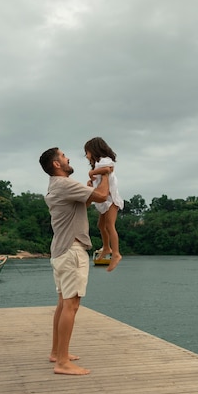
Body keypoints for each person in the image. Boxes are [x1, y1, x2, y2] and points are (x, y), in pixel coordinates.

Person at [39, 147, 110, 375]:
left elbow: (85, 203)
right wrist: (106, 174)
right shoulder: (65, 184)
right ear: (57, 164)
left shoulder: (56, 186)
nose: (68, 158)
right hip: (72, 250)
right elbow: (102, 196)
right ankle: (62, 362)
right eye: (63, 156)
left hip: (60, 251)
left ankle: (56, 352)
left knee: (62, 303)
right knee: (72, 304)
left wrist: (88, 191)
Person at [84, 137, 124, 272]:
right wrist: (91, 183)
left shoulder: (104, 160)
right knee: (100, 225)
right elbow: (100, 182)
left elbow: (108, 169)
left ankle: (116, 254)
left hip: (111, 199)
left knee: (109, 225)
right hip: (105, 200)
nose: (86, 156)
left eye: (87, 152)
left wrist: (92, 173)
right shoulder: (97, 164)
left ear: (94, 150)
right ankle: (106, 247)